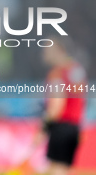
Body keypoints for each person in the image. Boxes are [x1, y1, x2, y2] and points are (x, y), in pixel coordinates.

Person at [41, 36, 87, 175]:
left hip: (60, 127)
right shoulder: (77, 70)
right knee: (58, 169)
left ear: (58, 50)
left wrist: (43, 127)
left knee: (56, 170)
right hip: (74, 127)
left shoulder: (57, 73)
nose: (44, 54)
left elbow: (56, 106)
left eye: (47, 50)